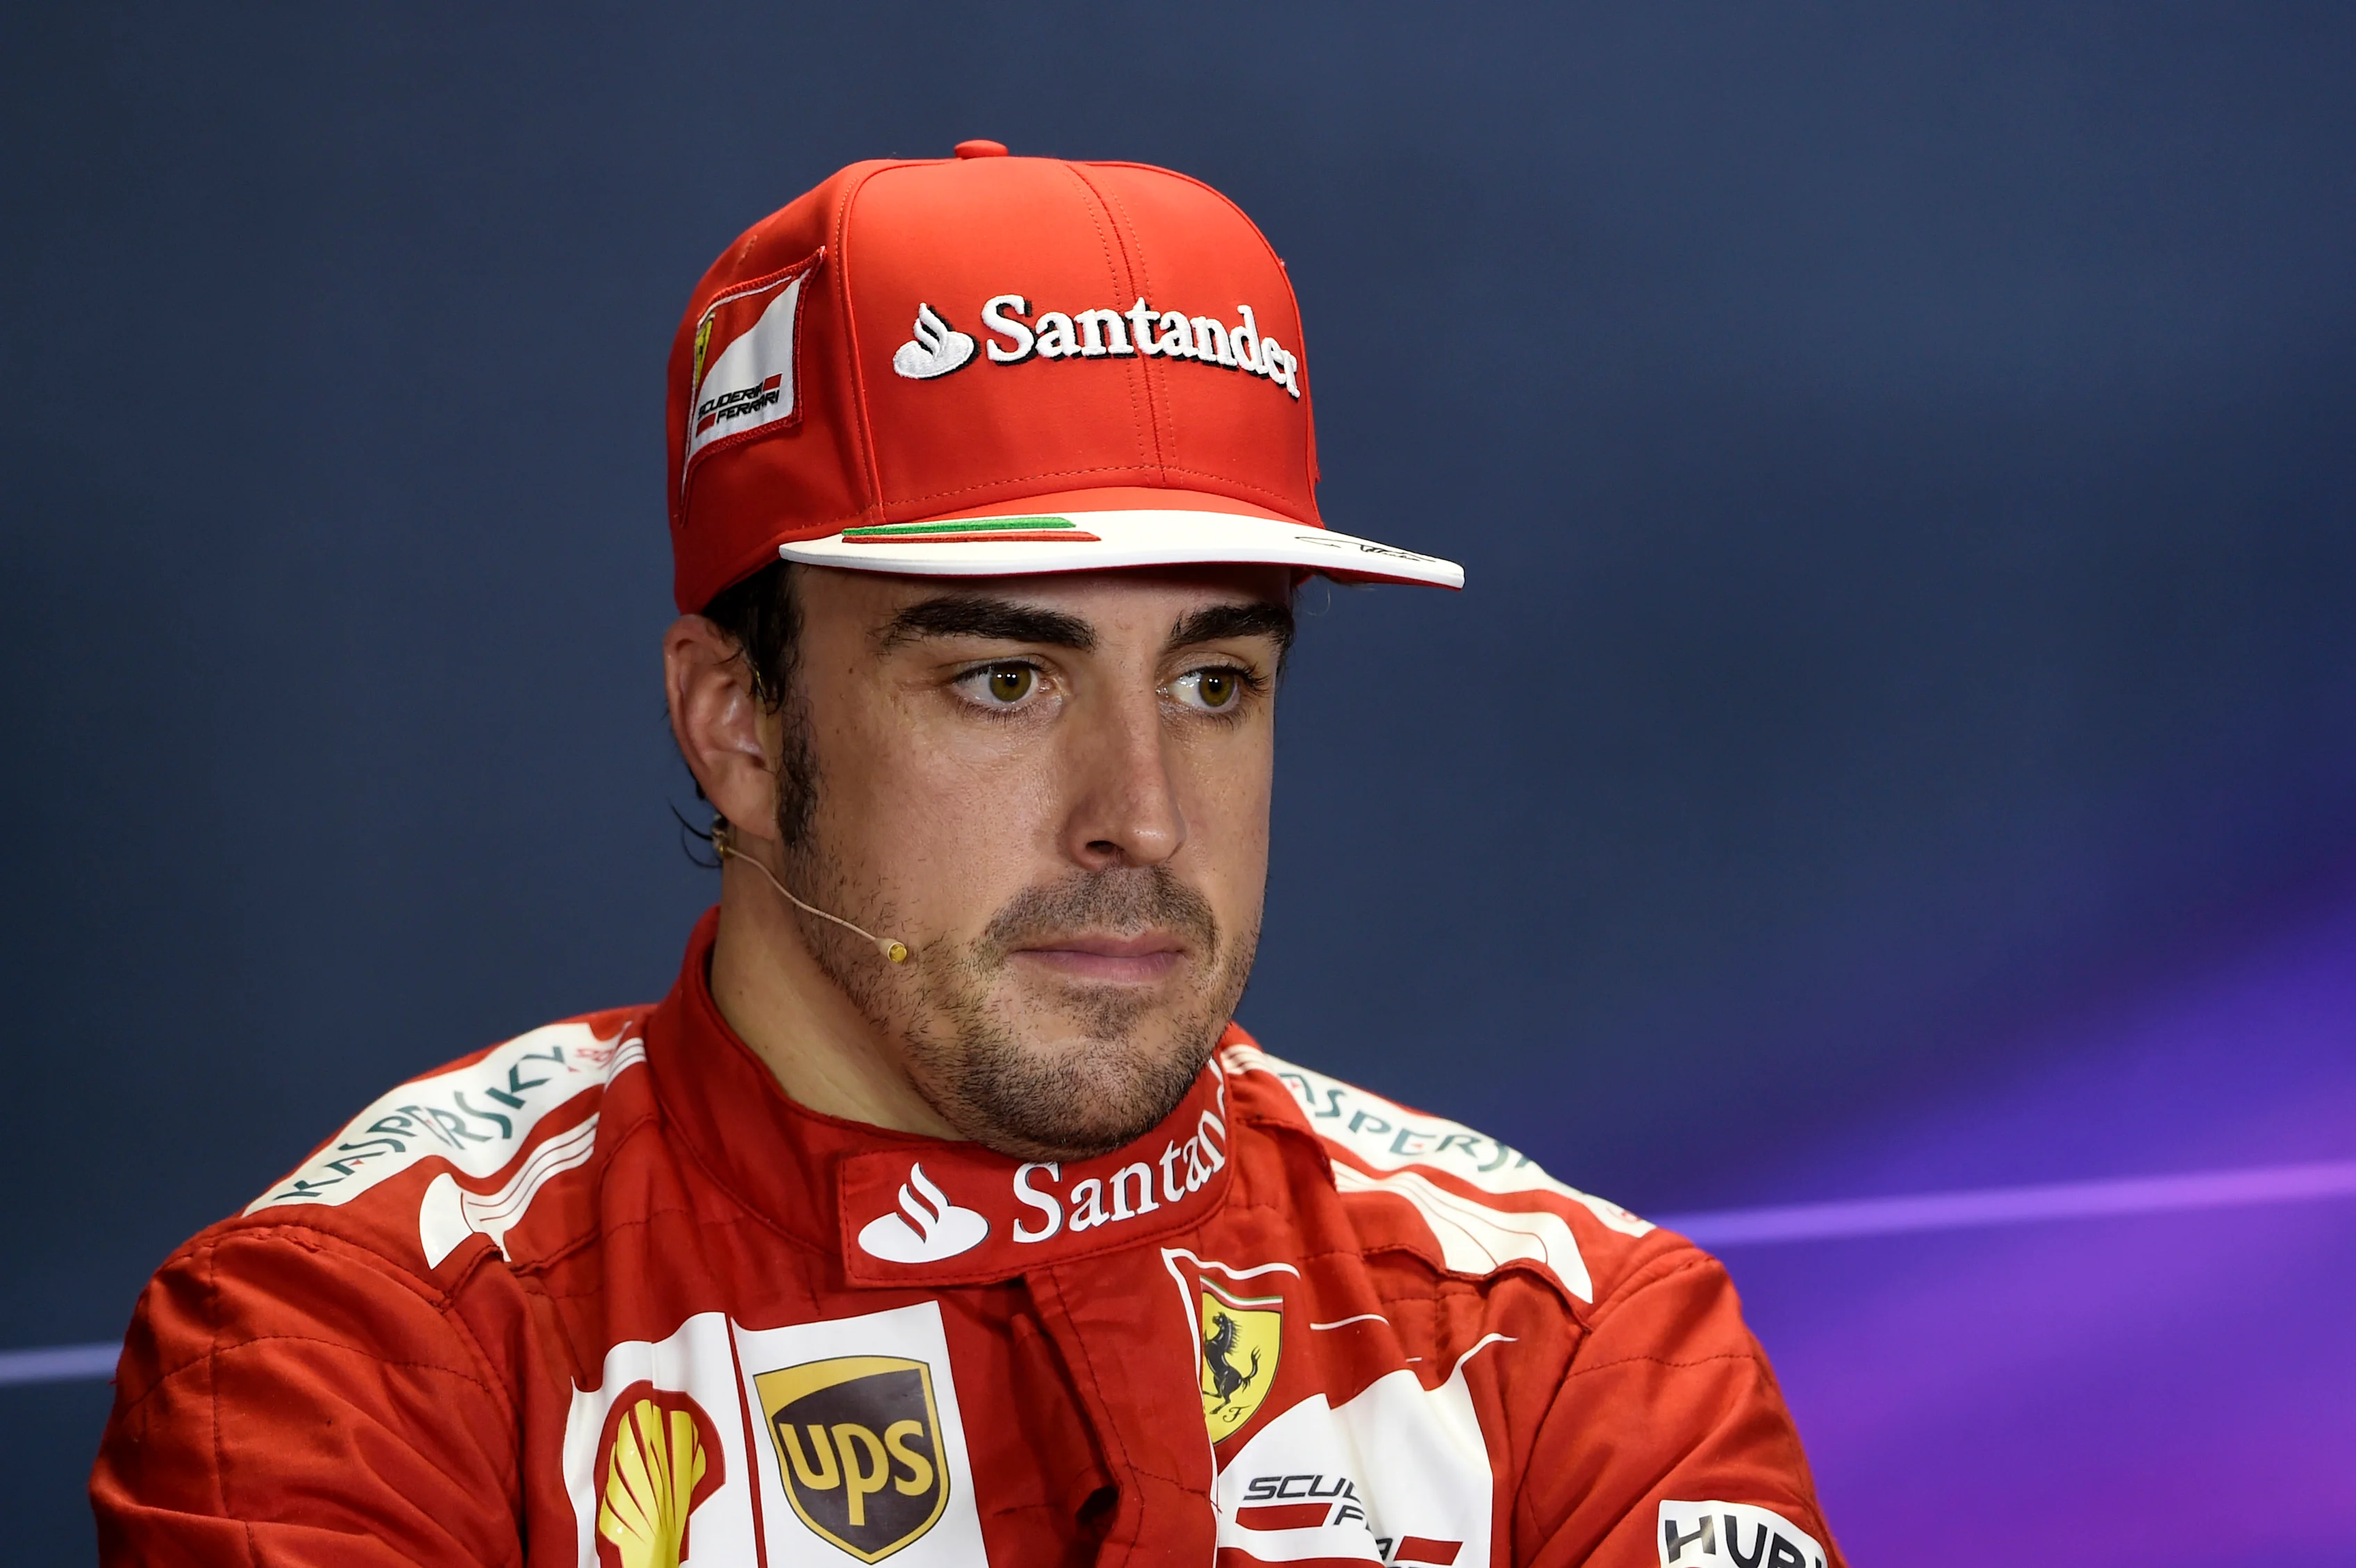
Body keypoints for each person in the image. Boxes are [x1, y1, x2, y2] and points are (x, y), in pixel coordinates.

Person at [92, 141, 1842, 1568]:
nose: (1142, 814)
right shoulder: (364, 1345)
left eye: (1214, 681)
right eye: (1006, 678)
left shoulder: (1568, 1343)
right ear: (738, 722)